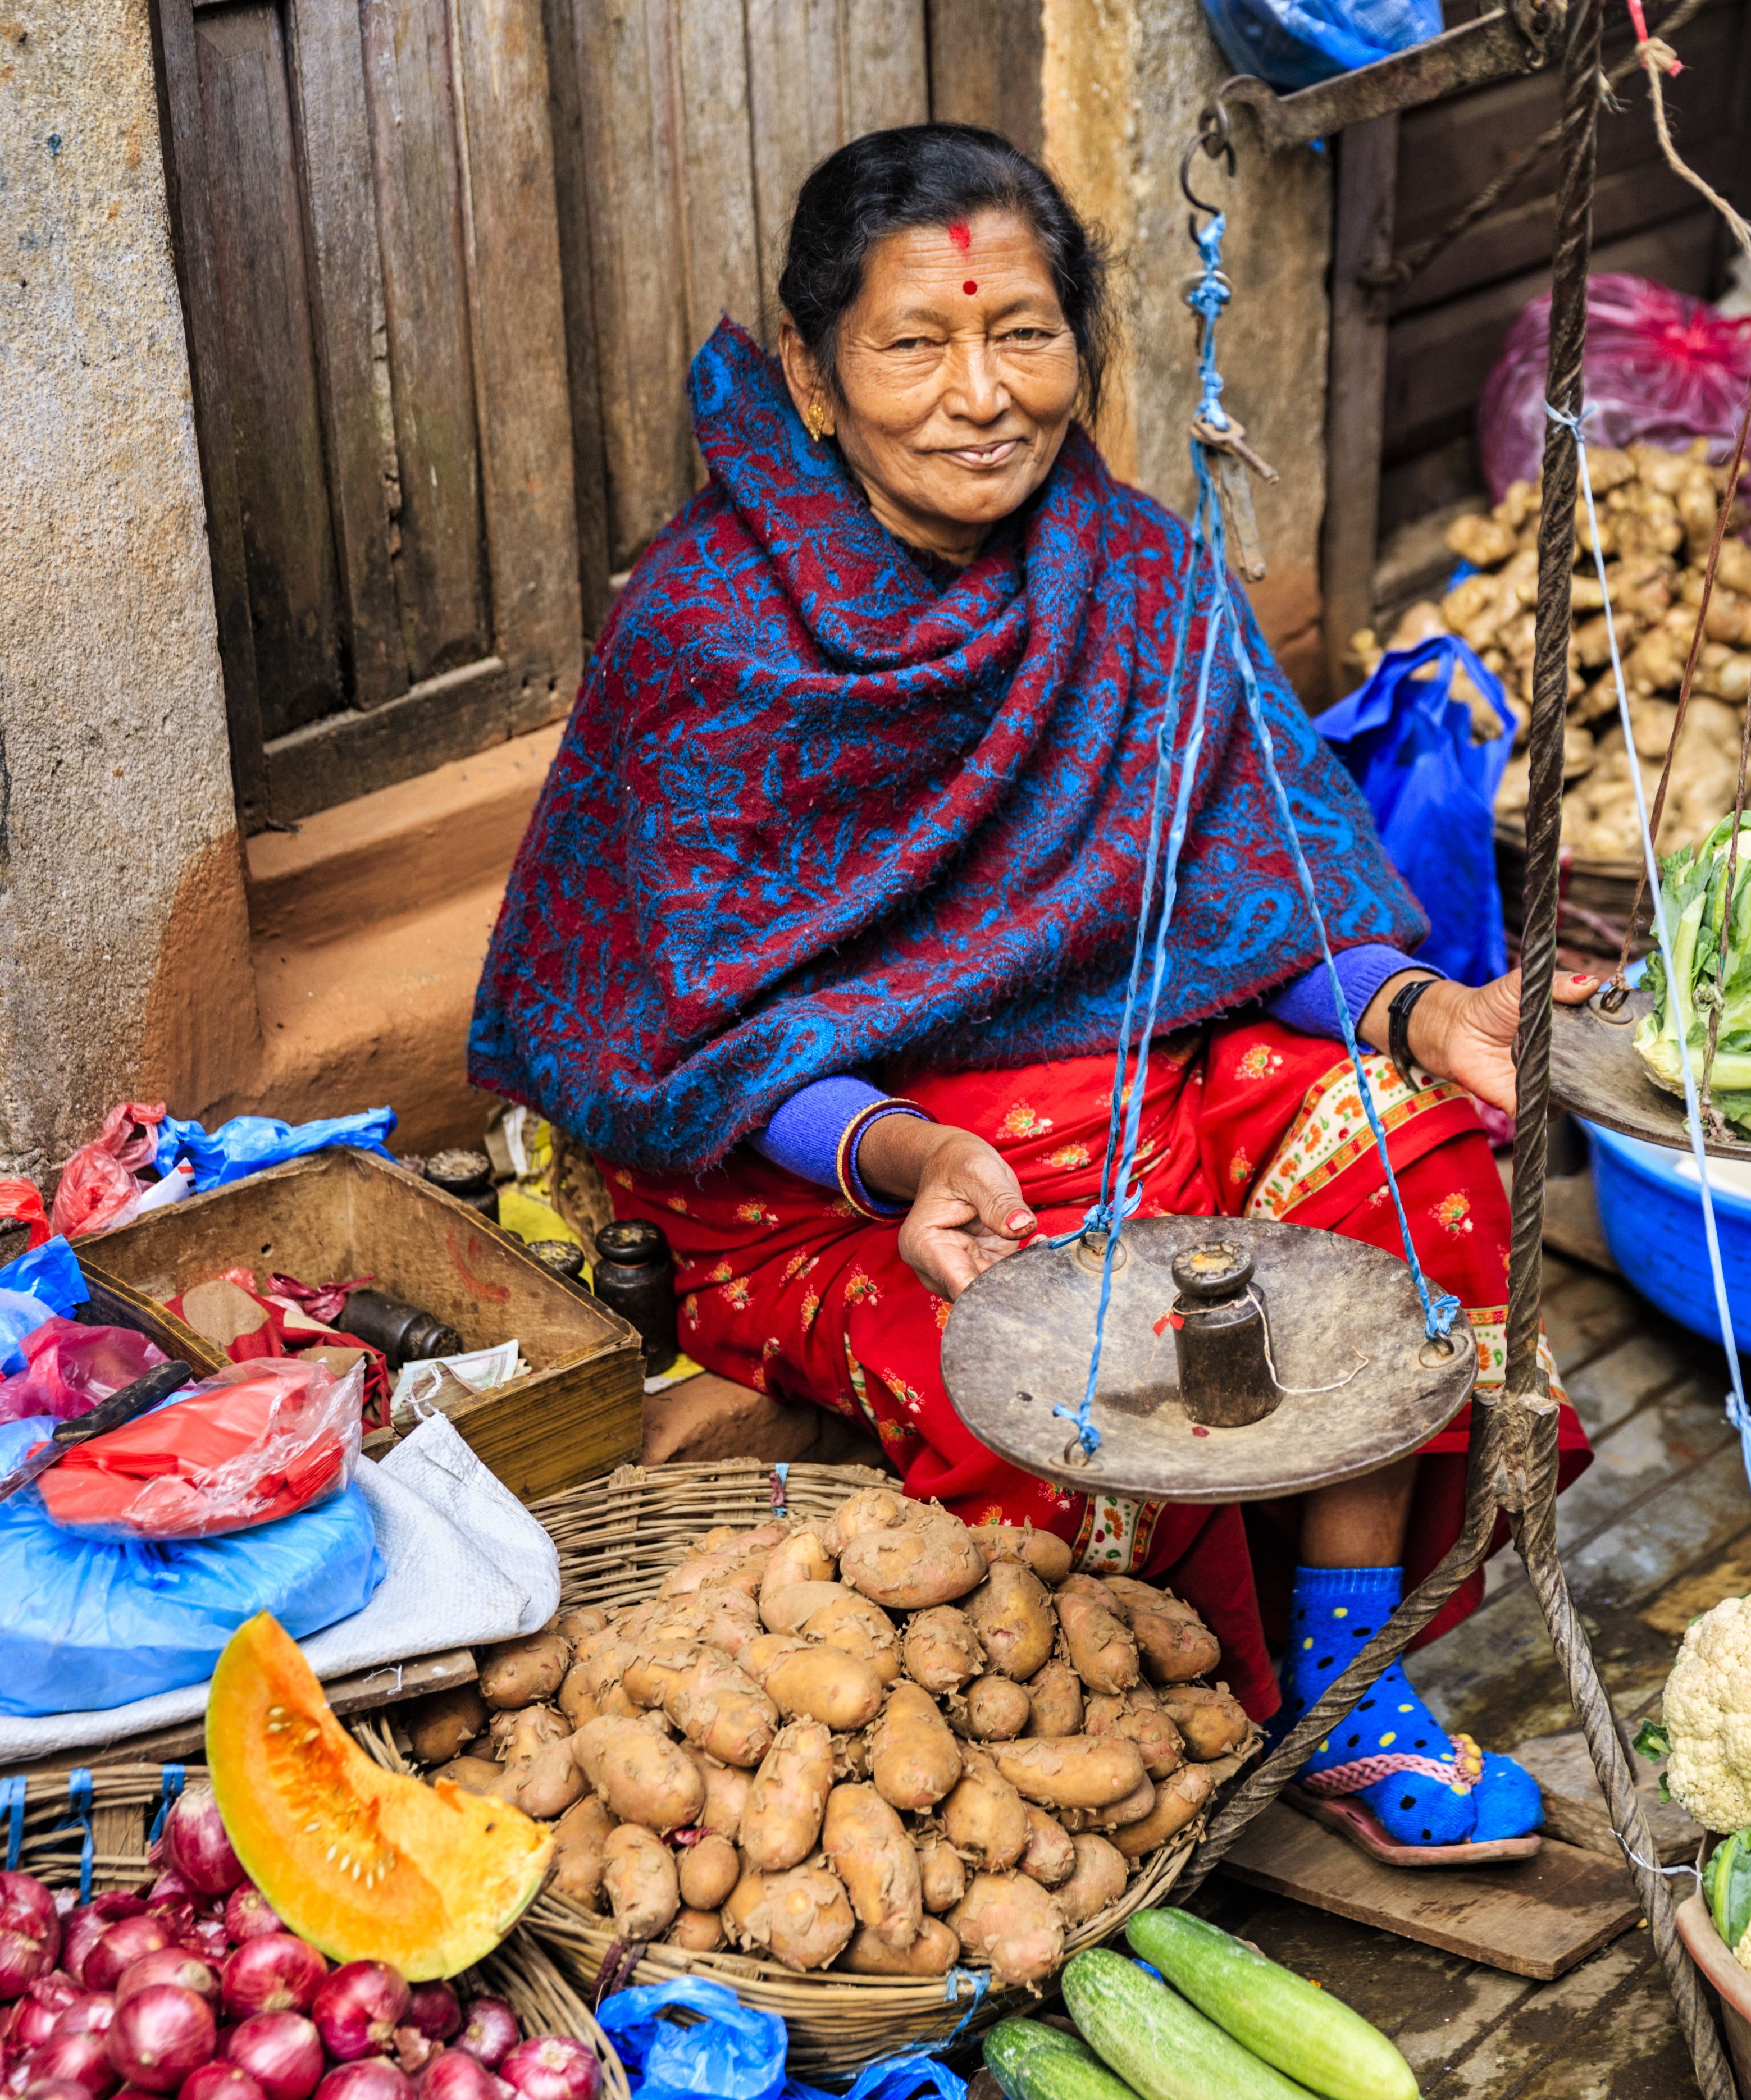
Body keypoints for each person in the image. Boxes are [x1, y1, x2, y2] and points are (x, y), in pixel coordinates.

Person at [472, 124, 1592, 1856]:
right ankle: (1180, 1707)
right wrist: (906, 1156)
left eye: (1026, 336)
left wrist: (1415, 1009)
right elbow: (694, 1020)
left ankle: (1348, 1676)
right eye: (915, 342)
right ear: (813, 376)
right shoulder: (707, 628)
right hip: (818, 1178)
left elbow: (1262, 875)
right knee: (1037, 1355)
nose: (981, 394)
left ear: (1083, 347)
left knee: (1421, 1154)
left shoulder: (1135, 570)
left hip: (1133, 1069)